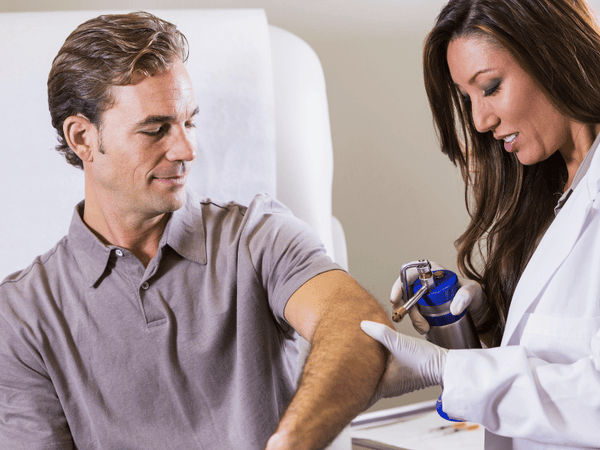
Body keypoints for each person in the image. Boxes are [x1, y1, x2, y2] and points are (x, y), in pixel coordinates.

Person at [0, 12, 393, 450]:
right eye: (156, 129)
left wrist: (291, 443)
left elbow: (357, 327)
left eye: (189, 122)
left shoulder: (257, 238)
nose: (187, 148)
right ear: (82, 138)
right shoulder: (21, 317)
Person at [361, 0, 600, 448]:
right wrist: (490, 324)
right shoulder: (550, 185)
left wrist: (448, 371)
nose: (479, 120)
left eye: (489, 87)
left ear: (554, 55)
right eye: (466, 97)